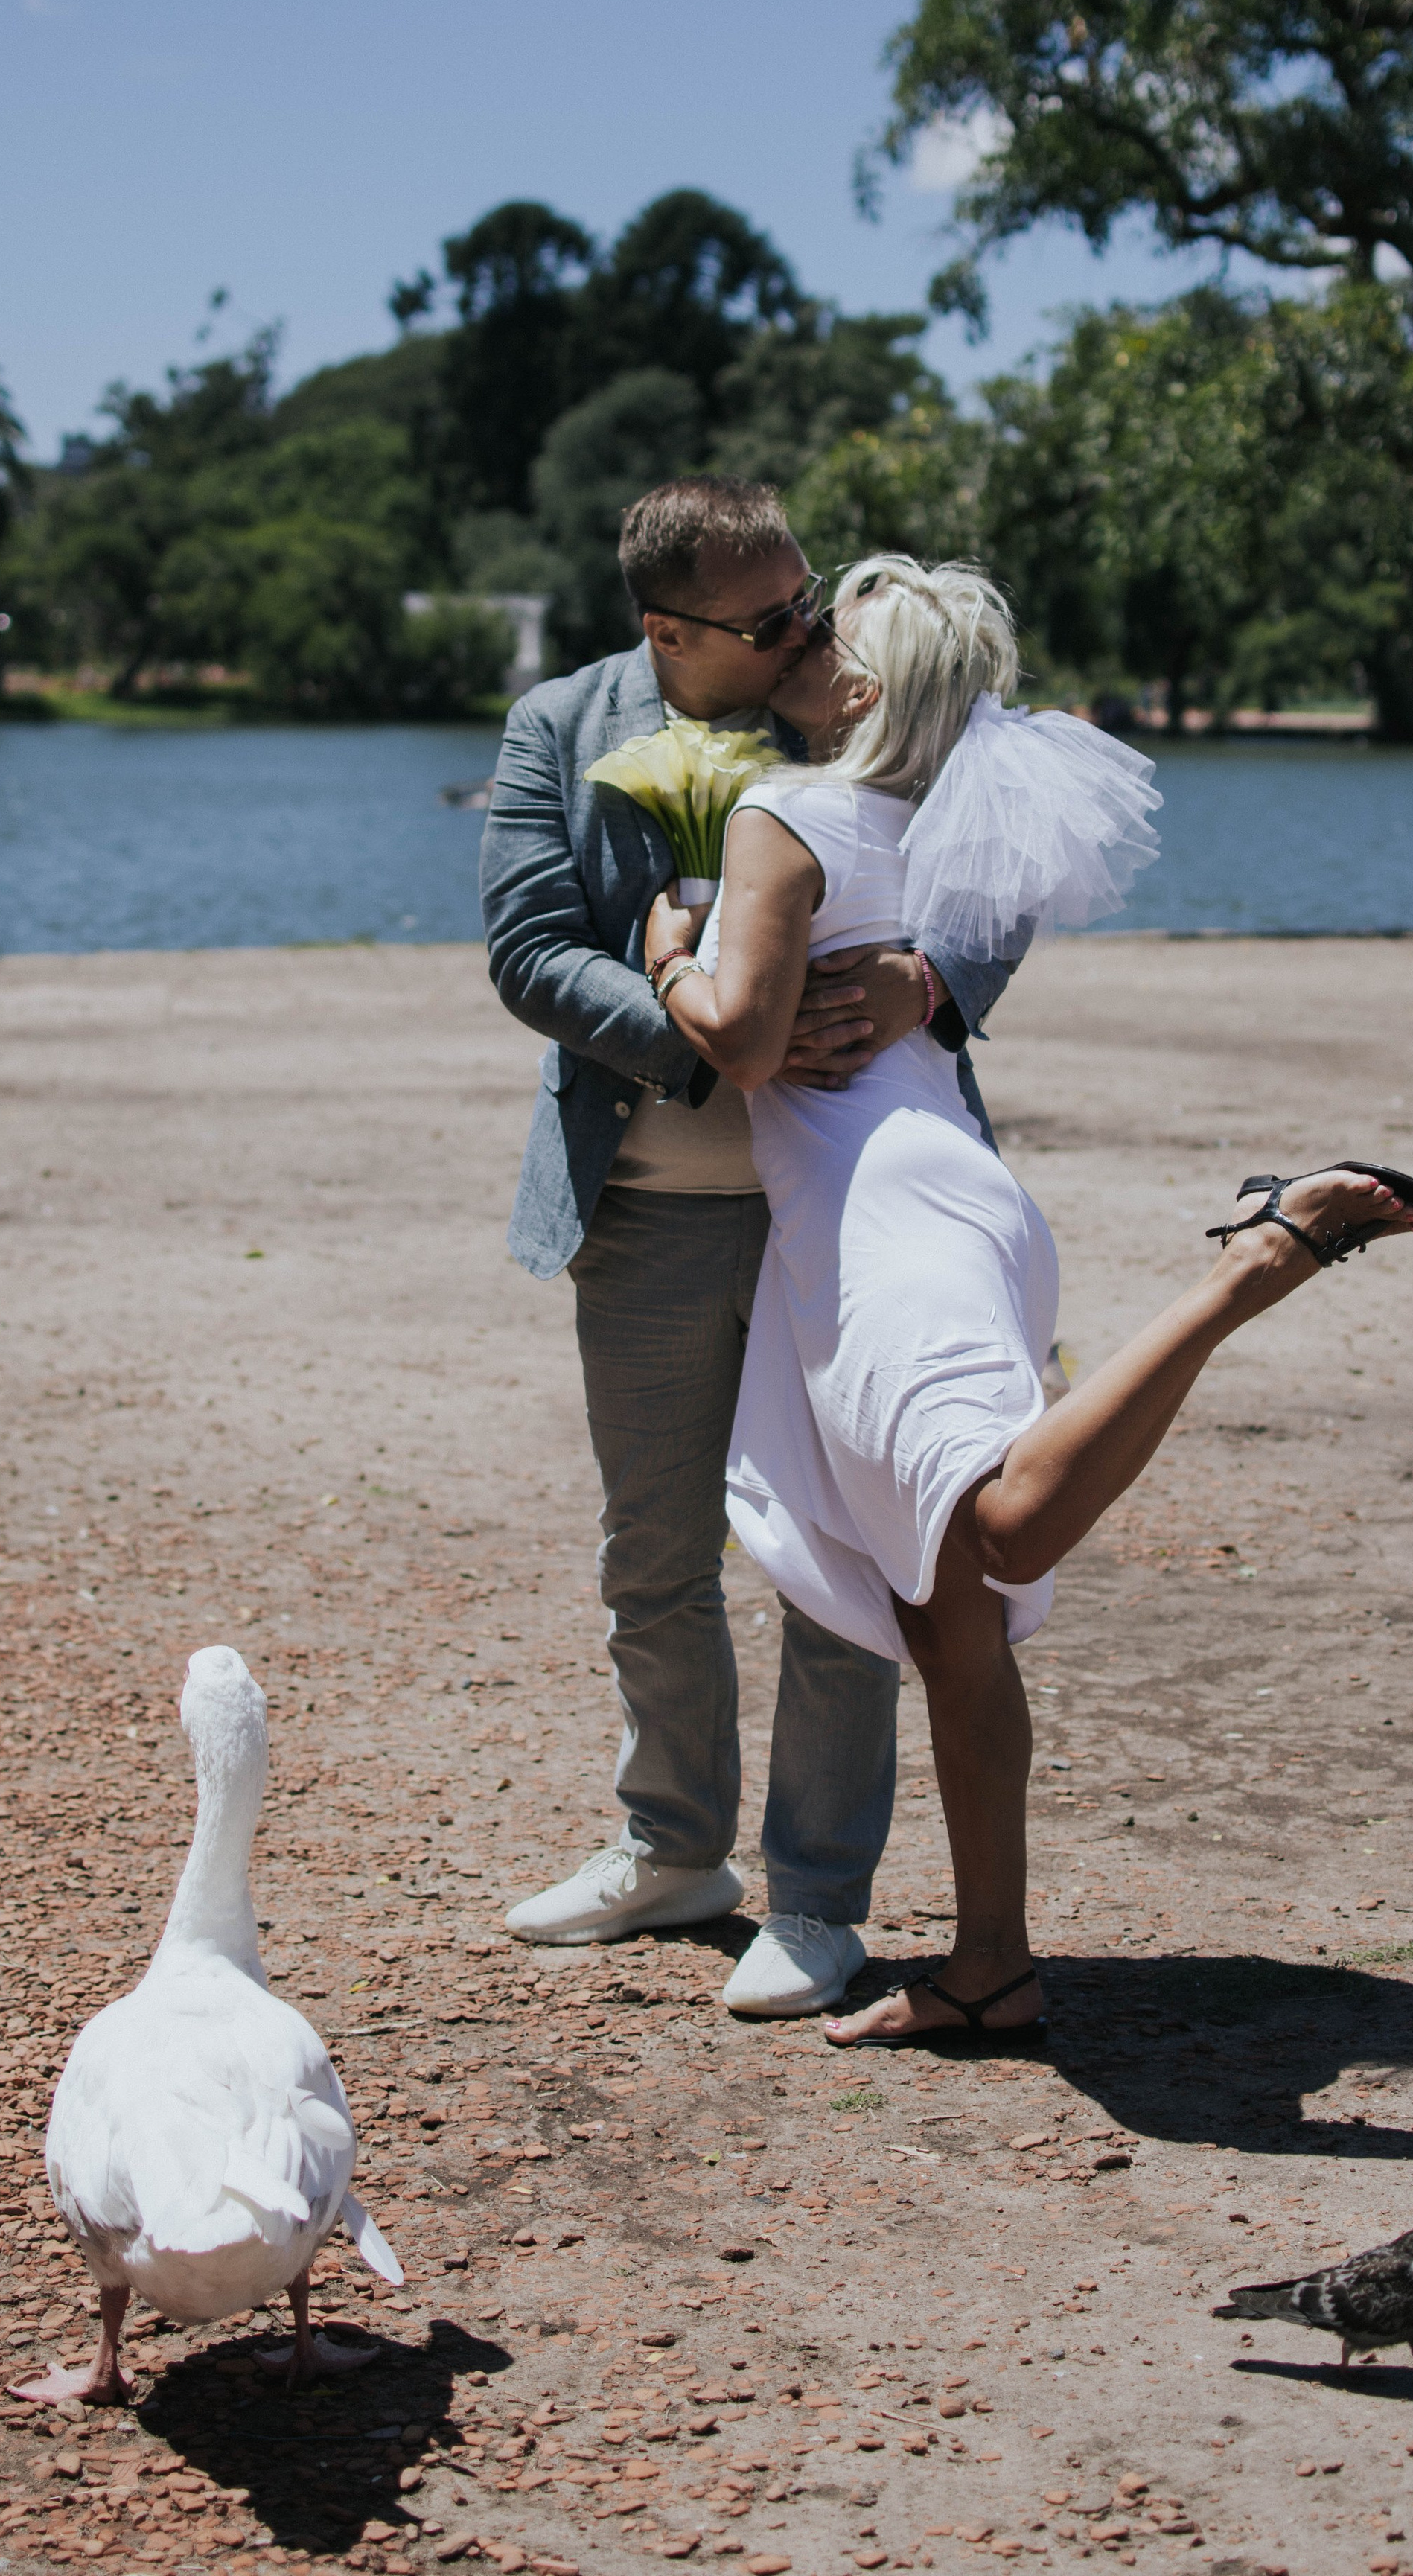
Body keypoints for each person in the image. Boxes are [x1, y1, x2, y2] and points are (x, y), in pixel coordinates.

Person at [646, 555, 1413, 2044]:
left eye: (820, 634)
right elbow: (906, 977)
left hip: (884, 1218)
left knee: (995, 1532)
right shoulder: (930, 827)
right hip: (941, 1195)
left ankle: (1251, 1262)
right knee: (948, 1621)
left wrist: (672, 954)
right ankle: (989, 1966)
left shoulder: (783, 816)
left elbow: (744, 1046)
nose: (794, 643)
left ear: (863, 689)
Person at [479, 481, 1027, 2017]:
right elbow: (528, 947)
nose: (806, 626)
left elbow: (1006, 856)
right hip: (643, 1204)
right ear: (668, 631)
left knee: (833, 1561)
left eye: (805, 599)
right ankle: (670, 1850)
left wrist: (932, 978)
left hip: (840, 1213)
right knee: (651, 1552)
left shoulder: (848, 703)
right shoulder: (557, 724)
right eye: (771, 613)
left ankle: (822, 1899)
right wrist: (723, 1041)